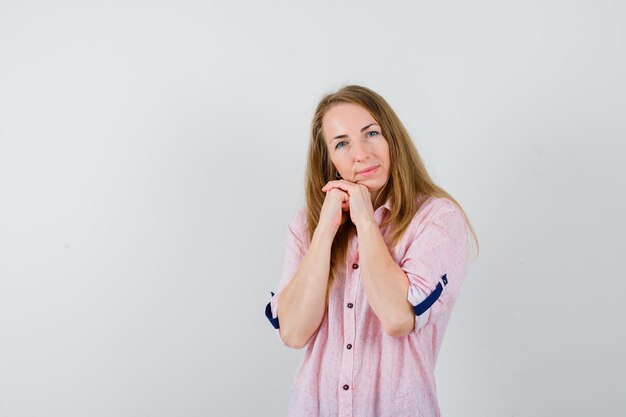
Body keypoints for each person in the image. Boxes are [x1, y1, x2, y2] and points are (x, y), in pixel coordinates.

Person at [265, 85, 478, 417]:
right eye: (341, 143)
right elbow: (292, 332)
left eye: (371, 134)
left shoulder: (437, 220)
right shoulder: (306, 227)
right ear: (330, 161)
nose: (360, 153)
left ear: (392, 138)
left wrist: (365, 220)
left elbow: (398, 317)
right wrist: (324, 230)